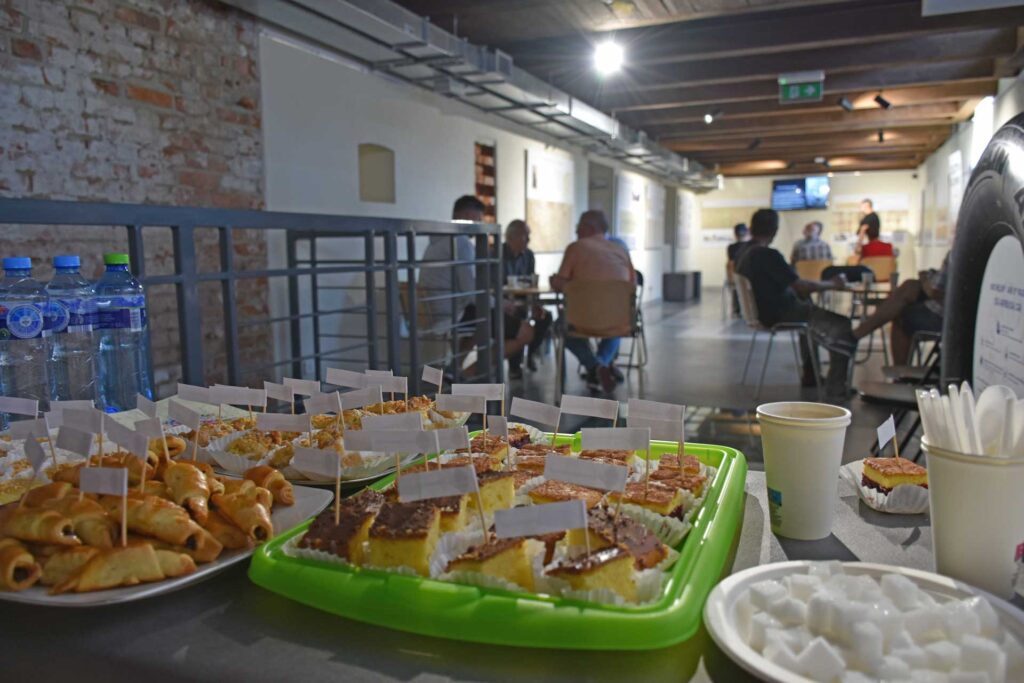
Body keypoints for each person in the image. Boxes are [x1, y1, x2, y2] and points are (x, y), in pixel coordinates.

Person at [736, 208, 856, 398]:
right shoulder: (767, 255)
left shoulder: (743, 253)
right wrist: (833, 283)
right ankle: (836, 385)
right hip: (779, 313)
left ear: (752, 227)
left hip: (762, 313)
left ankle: (811, 374)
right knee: (842, 324)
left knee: (808, 321)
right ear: (775, 230)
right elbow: (801, 286)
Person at [420, 196, 532, 367]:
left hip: (436, 312)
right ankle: (470, 374)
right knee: (526, 332)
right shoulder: (461, 243)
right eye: (478, 218)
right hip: (453, 314)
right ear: (467, 215)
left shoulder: (436, 242)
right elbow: (473, 294)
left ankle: (455, 370)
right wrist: (502, 304)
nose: (480, 223)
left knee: (483, 322)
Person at [551, 210, 635, 393]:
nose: (576, 231)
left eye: (578, 227)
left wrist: (555, 281)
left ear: (588, 228)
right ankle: (602, 365)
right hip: (618, 322)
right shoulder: (621, 251)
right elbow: (632, 285)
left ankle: (594, 366)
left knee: (559, 326)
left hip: (581, 321)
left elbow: (560, 284)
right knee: (617, 322)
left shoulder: (575, 248)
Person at [851, 253, 948, 364]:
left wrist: (925, 277)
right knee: (909, 286)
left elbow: (934, 290)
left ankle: (855, 335)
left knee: (901, 315)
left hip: (947, 317)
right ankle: (856, 334)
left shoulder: (957, 254)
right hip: (951, 310)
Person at [502, 220, 552, 378]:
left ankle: (530, 353)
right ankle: (514, 366)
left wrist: (536, 304)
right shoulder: (496, 254)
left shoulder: (528, 255)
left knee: (545, 317)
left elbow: (531, 283)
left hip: (525, 301)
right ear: (511, 237)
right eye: (525, 236)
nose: (529, 240)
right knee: (517, 316)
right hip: (504, 304)